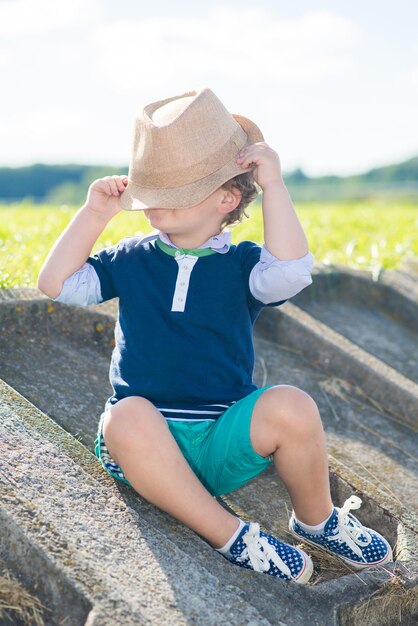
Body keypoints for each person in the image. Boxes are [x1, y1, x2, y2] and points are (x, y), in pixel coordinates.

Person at [38, 88, 392, 584]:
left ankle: (318, 520)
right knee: (127, 416)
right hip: (144, 451)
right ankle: (231, 536)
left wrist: (275, 188)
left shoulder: (242, 264)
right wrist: (94, 215)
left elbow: (290, 273)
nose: (159, 201)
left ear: (228, 198)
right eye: (155, 188)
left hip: (218, 438)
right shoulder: (131, 257)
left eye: (178, 189)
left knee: (292, 405)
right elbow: (56, 284)